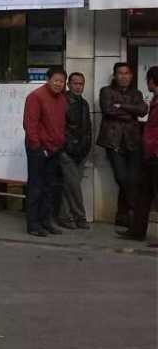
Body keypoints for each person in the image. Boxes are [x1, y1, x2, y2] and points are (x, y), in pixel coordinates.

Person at [97, 62, 148, 228]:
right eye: (120, 73)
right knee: (122, 178)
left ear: (131, 76)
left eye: (127, 73)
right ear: (115, 75)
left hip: (133, 141)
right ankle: (136, 212)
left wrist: (122, 106)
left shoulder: (136, 93)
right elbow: (108, 110)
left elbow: (143, 110)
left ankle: (122, 216)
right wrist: (131, 113)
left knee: (132, 180)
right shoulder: (106, 91)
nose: (124, 76)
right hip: (113, 141)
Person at [23, 66, 67, 237]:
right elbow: (30, 125)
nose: (58, 84)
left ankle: (46, 221)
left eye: (62, 81)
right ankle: (33, 224)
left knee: (49, 188)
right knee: (36, 187)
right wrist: (37, 147)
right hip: (39, 149)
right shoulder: (36, 97)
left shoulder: (62, 99)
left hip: (54, 149)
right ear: (48, 79)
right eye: (56, 80)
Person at [120, 66, 158, 241]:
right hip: (149, 154)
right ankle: (137, 231)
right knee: (143, 195)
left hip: (155, 154)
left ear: (151, 81)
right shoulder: (155, 100)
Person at [57, 72, 92, 230]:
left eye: (81, 84)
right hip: (66, 150)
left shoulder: (84, 103)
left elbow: (87, 128)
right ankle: (80, 216)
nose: (78, 86)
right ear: (69, 84)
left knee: (70, 185)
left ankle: (64, 216)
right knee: (74, 185)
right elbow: (60, 127)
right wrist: (67, 146)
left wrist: (86, 146)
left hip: (82, 151)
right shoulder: (62, 101)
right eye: (75, 83)